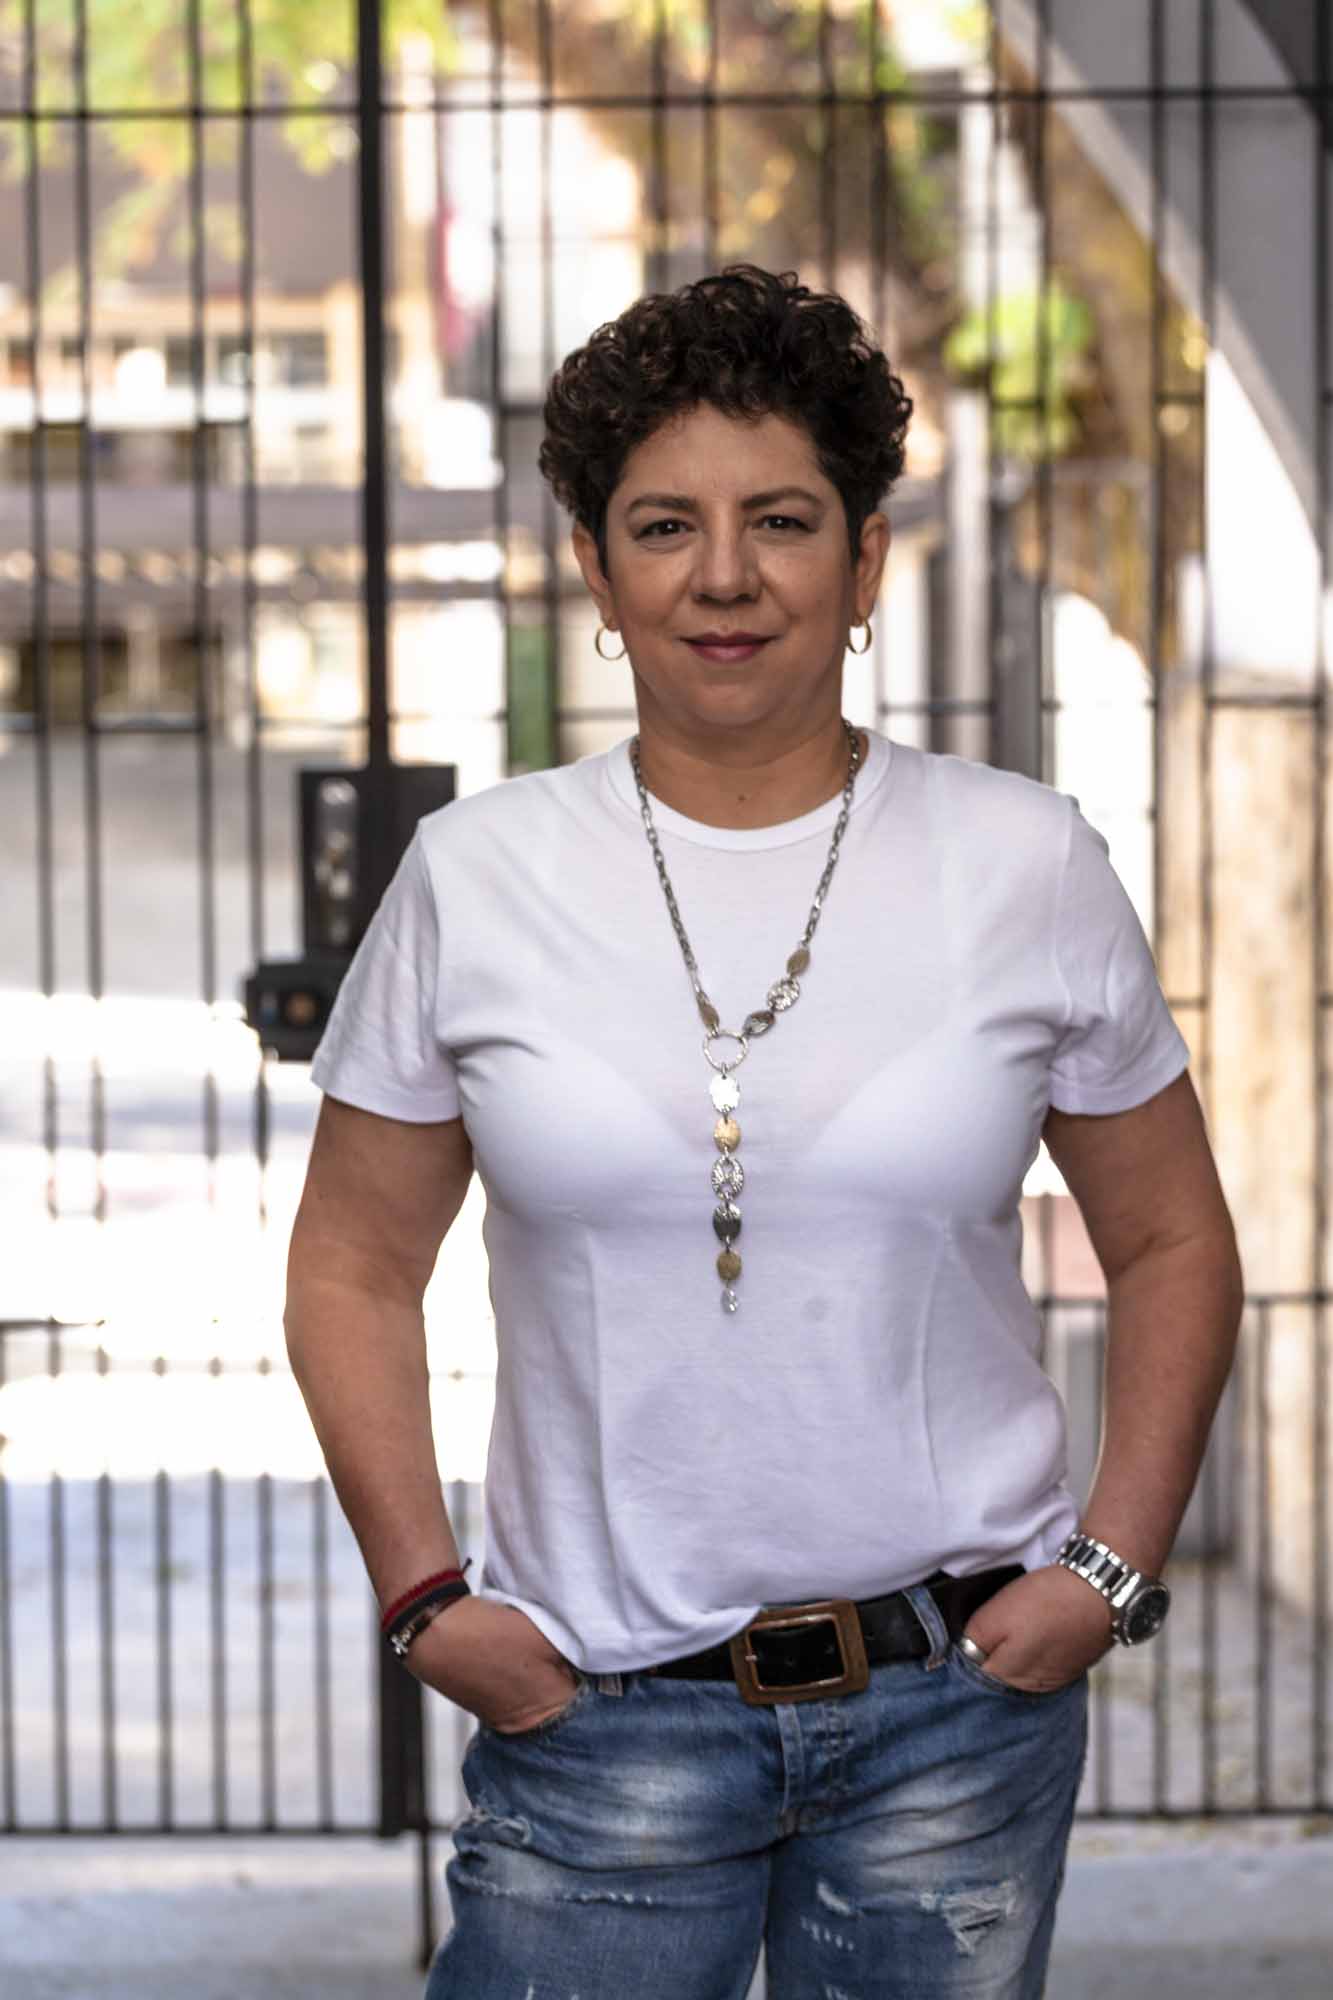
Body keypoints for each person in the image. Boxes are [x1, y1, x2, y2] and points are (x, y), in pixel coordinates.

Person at [284, 264, 1244, 1999]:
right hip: (594, 1712)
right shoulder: (475, 878)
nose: (722, 575)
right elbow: (351, 1262)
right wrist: (427, 1599)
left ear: (863, 563)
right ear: (597, 572)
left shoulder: (1024, 862)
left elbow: (1172, 1236)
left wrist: (1107, 1569)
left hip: (956, 1710)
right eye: (663, 525)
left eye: (781, 521)